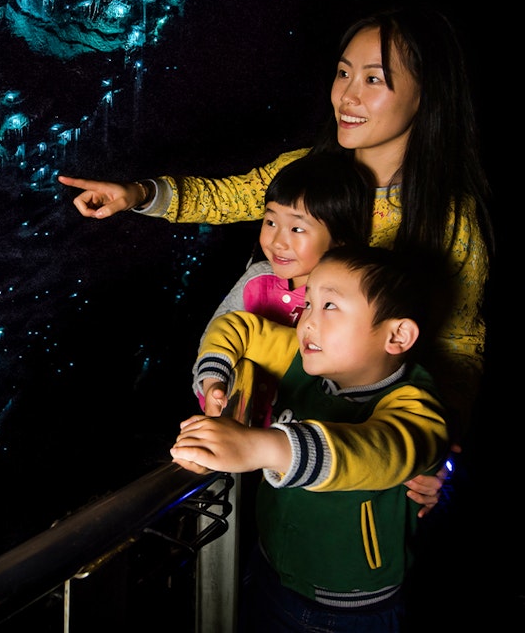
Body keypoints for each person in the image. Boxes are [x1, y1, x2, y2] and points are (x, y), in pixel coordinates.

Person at [58, 4, 492, 515]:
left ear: (428, 94)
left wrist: (441, 449)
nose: (347, 96)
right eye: (343, 72)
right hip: (275, 415)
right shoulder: (308, 170)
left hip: (367, 434)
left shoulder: (447, 217)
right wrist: (136, 194)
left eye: (374, 79)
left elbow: (460, 345)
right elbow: (227, 195)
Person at [171, 245, 449, 631]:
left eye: (330, 307)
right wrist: (217, 378)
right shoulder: (306, 359)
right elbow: (239, 327)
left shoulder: (415, 405)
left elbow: (378, 450)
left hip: (346, 608)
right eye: (308, 304)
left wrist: (261, 446)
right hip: (270, 566)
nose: (306, 322)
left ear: (397, 334)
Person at [197, 150, 374, 427]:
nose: (278, 241)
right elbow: (216, 334)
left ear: (340, 240)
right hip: (239, 423)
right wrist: (213, 387)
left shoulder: (346, 297)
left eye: (297, 229)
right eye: (271, 222)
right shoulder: (255, 279)